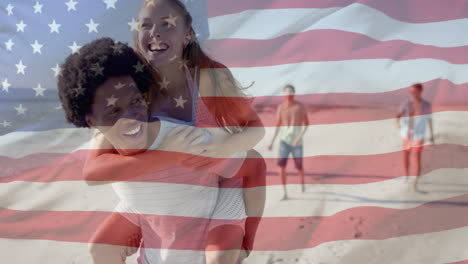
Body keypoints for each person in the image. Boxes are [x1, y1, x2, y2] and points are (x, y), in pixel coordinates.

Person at [82, 0, 267, 263]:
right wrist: (169, 156)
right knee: (102, 249)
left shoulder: (208, 77)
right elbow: (94, 166)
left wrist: (219, 148)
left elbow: (255, 131)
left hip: (212, 183)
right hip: (154, 191)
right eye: (146, 25)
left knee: (220, 258)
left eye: (167, 24)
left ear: (188, 34)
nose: (155, 32)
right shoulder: (129, 84)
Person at [268, 84, 309, 200]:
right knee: (281, 167)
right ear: (284, 93)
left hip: (297, 142)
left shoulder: (300, 107)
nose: (288, 93)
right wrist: (271, 141)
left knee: (299, 167)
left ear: (294, 93)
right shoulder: (281, 107)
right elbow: (277, 125)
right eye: (286, 91)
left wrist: (298, 138)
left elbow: (306, 124)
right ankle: (284, 192)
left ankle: (302, 182)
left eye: (291, 91)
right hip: (284, 141)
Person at [396, 83, 435, 192]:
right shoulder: (406, 103)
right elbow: (398, 115)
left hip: (418, 135)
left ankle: (415, 183)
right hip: (406, 135)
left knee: (417, 158)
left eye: (414, 91)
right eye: (411, 92)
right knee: (406, 156)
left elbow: (429, 120)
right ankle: (406, 175)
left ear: (420, 91)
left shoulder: (426, 105)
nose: (412, 93)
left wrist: (431, 135)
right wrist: (397, 123)